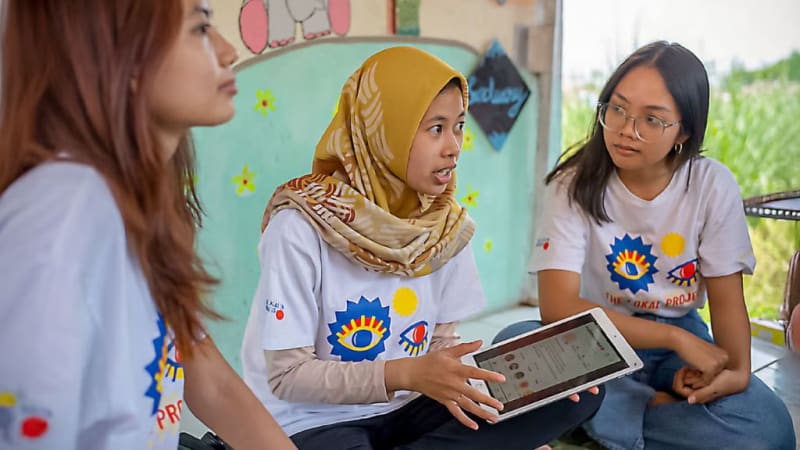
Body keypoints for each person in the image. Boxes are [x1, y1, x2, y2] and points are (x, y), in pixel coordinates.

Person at [240, 46, 603, 450]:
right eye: (435, 128)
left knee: (577, 392)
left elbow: (442, 345)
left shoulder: (445, 226)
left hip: (411, 406)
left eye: (459, 126)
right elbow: (287, 377)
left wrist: (508, 395)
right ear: (385, 131)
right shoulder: (301, 226)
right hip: (311, 420)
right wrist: (406, 375)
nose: (454, 146)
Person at [0, 1, 295, 449]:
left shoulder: (132, 203)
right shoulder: (65, 209)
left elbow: (209, 378)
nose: (228, 50)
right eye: (200, 28)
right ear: (126, 56)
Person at [512, 41, 796, 449]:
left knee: (768, 428)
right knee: (515, 347)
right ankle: (648, 413)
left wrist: (729, 372)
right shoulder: (573, 183)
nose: (628, 129)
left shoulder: (711, 185)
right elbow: (557, 308)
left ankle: (595, 426)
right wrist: (673, 340)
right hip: (594, 335)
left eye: (652, 120)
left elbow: (729, 315)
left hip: (679, 341)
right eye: (618, 109)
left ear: (683, 131)